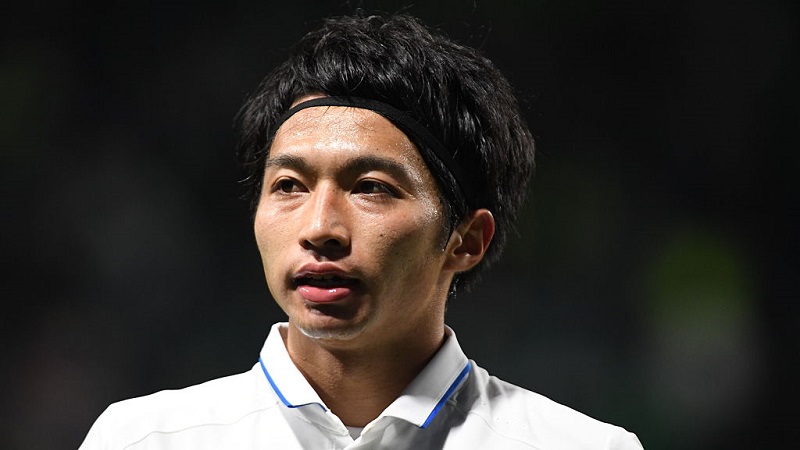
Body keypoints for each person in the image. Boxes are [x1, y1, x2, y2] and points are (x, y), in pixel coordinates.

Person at [80, 12, 643, 450]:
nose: (319, 227)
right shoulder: (141, 439)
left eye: (371, 187)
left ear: (467, 240)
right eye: (289, 186)